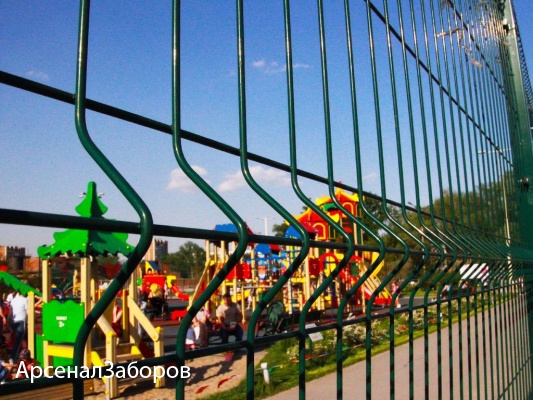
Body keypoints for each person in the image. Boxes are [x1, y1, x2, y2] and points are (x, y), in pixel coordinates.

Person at [9, 291, 27, 363]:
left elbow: (10, 312)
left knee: (19, 340)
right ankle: (13, 358)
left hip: (14, 321)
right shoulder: (25, 300)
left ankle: (18, 357)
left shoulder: (13, 300)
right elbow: (28, 312)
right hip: (21, 321)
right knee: (19, 341)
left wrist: (8, 323)